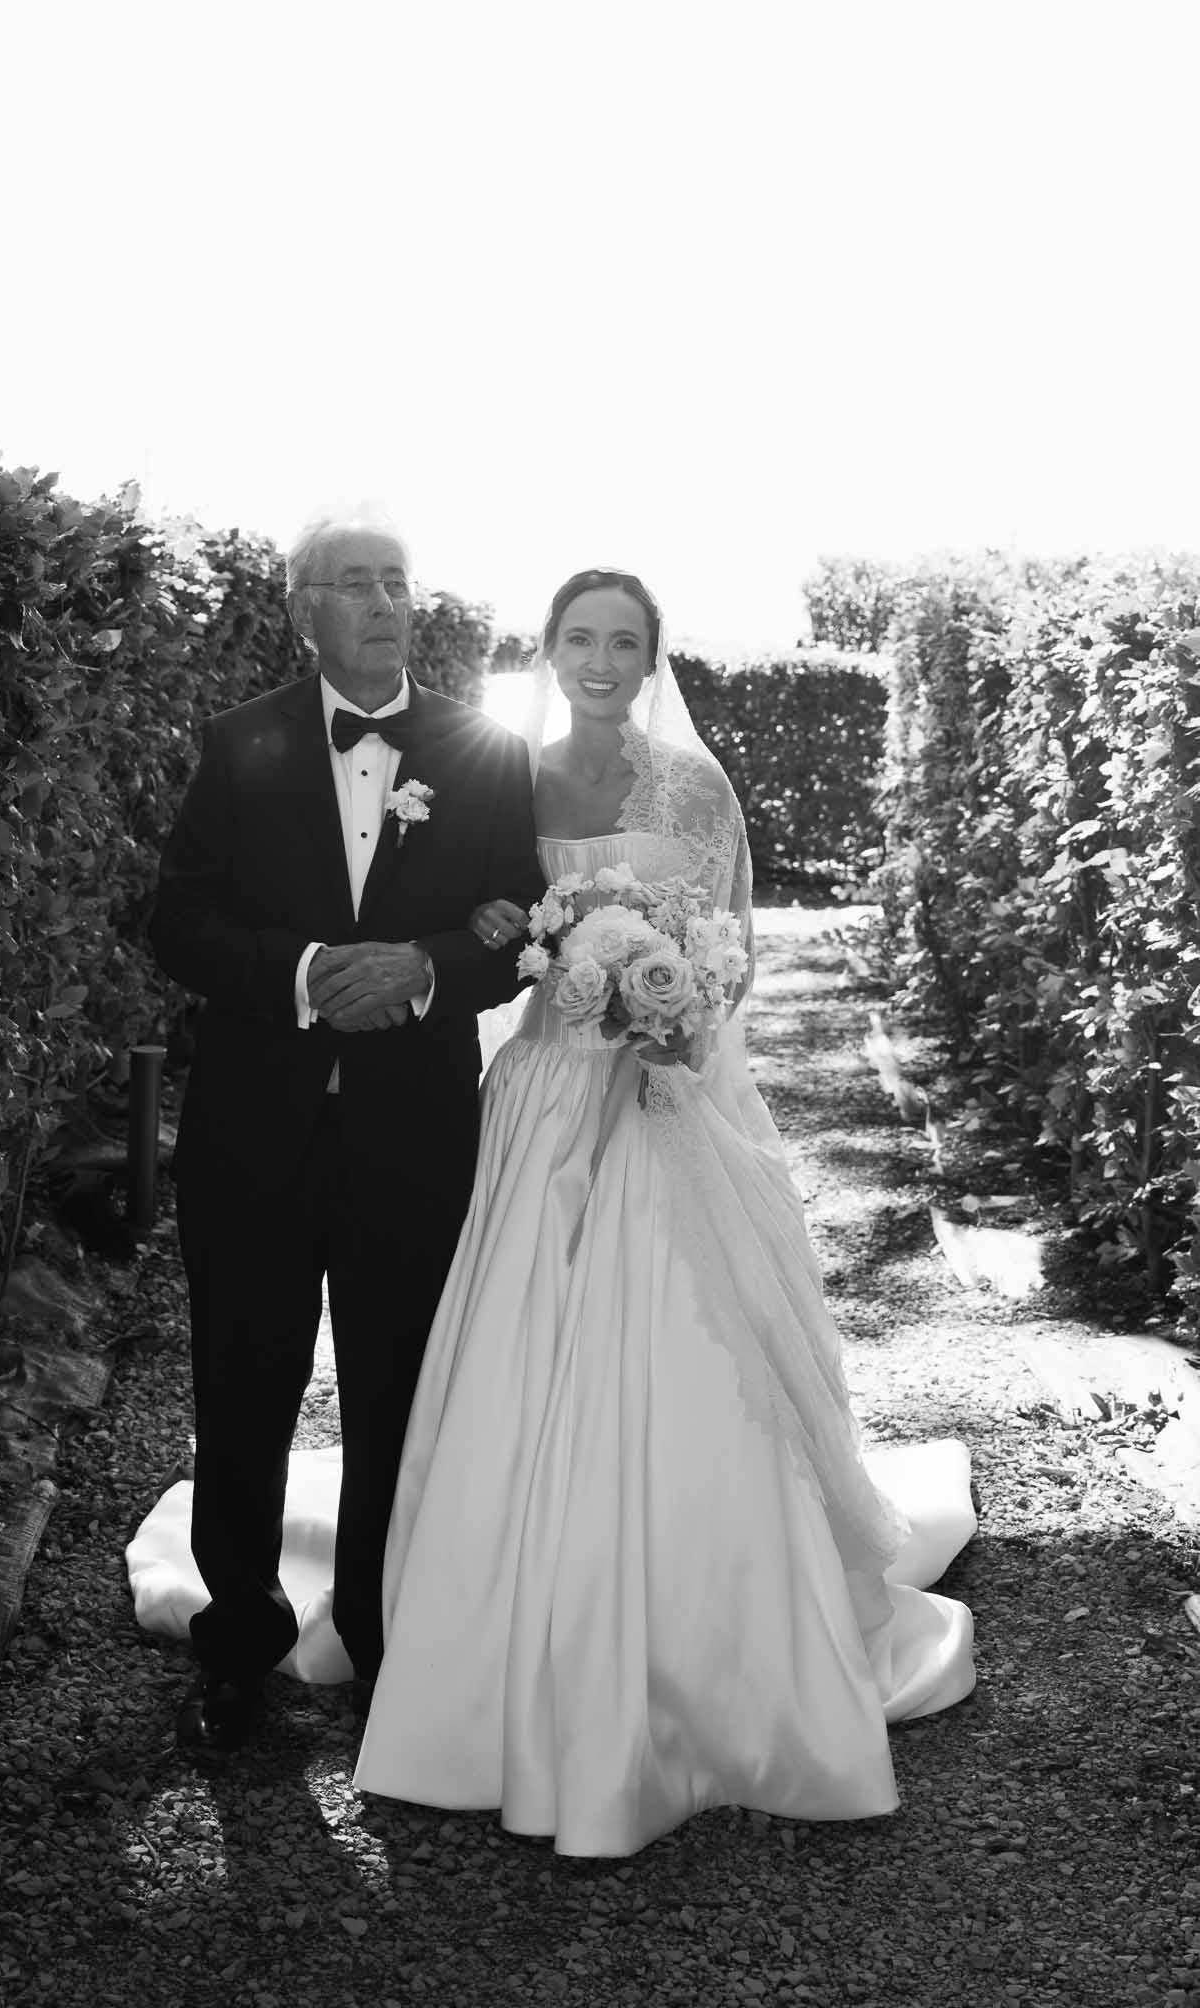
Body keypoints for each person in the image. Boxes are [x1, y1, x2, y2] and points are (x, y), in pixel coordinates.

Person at [351, 567, 977, 1857]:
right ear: (547, 651)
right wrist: (507, 930)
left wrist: (673, 1009)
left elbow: (732, 942)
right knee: (518, 1349)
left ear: (649, 659)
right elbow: (474, 919)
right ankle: (493, 1644)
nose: (597, 659)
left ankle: (712, 1655)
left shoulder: (692, 784)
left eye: (620, 642)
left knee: (686, 1349)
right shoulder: (497, 777)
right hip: (542, 1092)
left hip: (660, 1094)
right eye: (577, 638)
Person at [146, 508, 545, 1756]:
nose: (383, 603)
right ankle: (239, 1642)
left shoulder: (483, 751)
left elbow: (520, 917)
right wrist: (310, 972)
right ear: (301, 607)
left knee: (395, 1392)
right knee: (243, 1382)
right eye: (354, 583)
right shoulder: (236, 742)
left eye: (396, 582)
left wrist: (422, 970)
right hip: (250, 1130)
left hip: (411, 1131)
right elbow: (177, 924)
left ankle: (385, 1640)